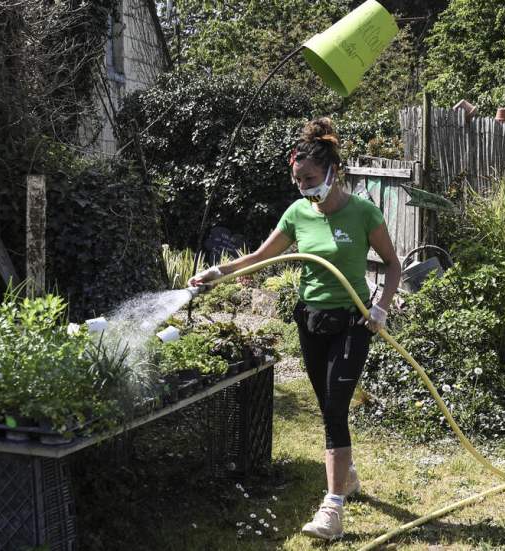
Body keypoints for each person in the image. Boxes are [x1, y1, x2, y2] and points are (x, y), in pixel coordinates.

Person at [190, 117, 401, 541]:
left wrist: (380, 308)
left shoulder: (363, 212)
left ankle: (333, 509)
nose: (303, 186)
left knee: (336, 408)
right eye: (297, 179)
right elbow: (257, 258)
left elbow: (393, 266)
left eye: (308, 178)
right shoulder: (297, 214)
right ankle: (348, 476)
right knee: (327, 406)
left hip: (353, 321)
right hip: (311, 321)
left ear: (331, 172)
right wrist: (218, 272)